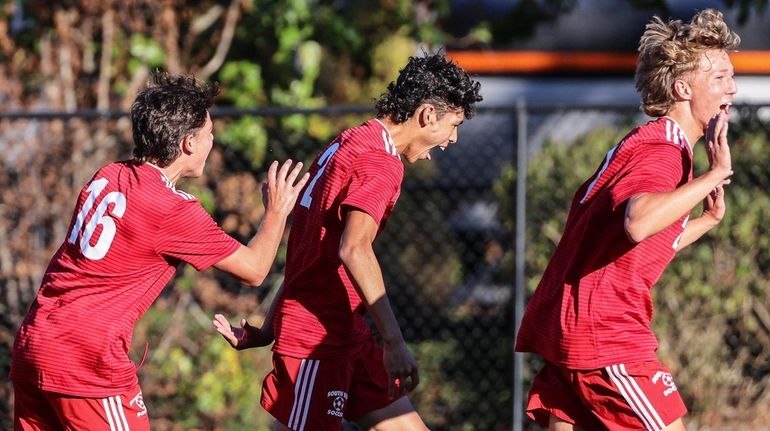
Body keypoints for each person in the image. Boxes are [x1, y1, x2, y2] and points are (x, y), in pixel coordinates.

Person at [10, 72, 309, 430]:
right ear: (188, 144)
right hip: (87, 359)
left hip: (35, 342)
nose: (213, 141)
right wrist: (277, 212)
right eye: (209, 134)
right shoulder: (171, 209)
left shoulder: (109, 174)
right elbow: (256, 270)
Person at [213, 52, 482, 430]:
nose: (452, 139)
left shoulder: (348, 142)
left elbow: (310, 253)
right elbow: (354, 249)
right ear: (426, 115)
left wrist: (269, 327)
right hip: (315, 344)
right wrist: (394, 340)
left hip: (347, 334)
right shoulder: (381, 162)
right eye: (453, 125)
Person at [514, 9, 739, 431]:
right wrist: (714, 174)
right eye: (721, 77)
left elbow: (634, 242)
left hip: (575, 330)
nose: (733, 88)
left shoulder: (648, 142)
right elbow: (638, 221)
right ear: (682, 88)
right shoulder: (662, 151)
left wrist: (706, 220)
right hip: (606, 335)